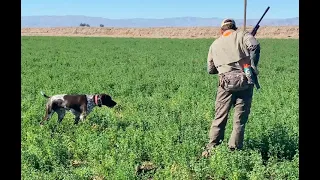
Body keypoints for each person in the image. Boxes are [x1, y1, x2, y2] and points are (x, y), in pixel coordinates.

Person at [202, 18, 261, 157]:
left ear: (221, 30)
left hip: (225, 84)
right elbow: (254, 46)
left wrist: (224, 66)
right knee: (239, 119)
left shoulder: (214, 44)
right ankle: (234, 150)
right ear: (234, 27)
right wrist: (252, 65)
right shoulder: (242, 35)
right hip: (244, 80)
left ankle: (212, 148)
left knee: (220, 116)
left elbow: (210, 69)